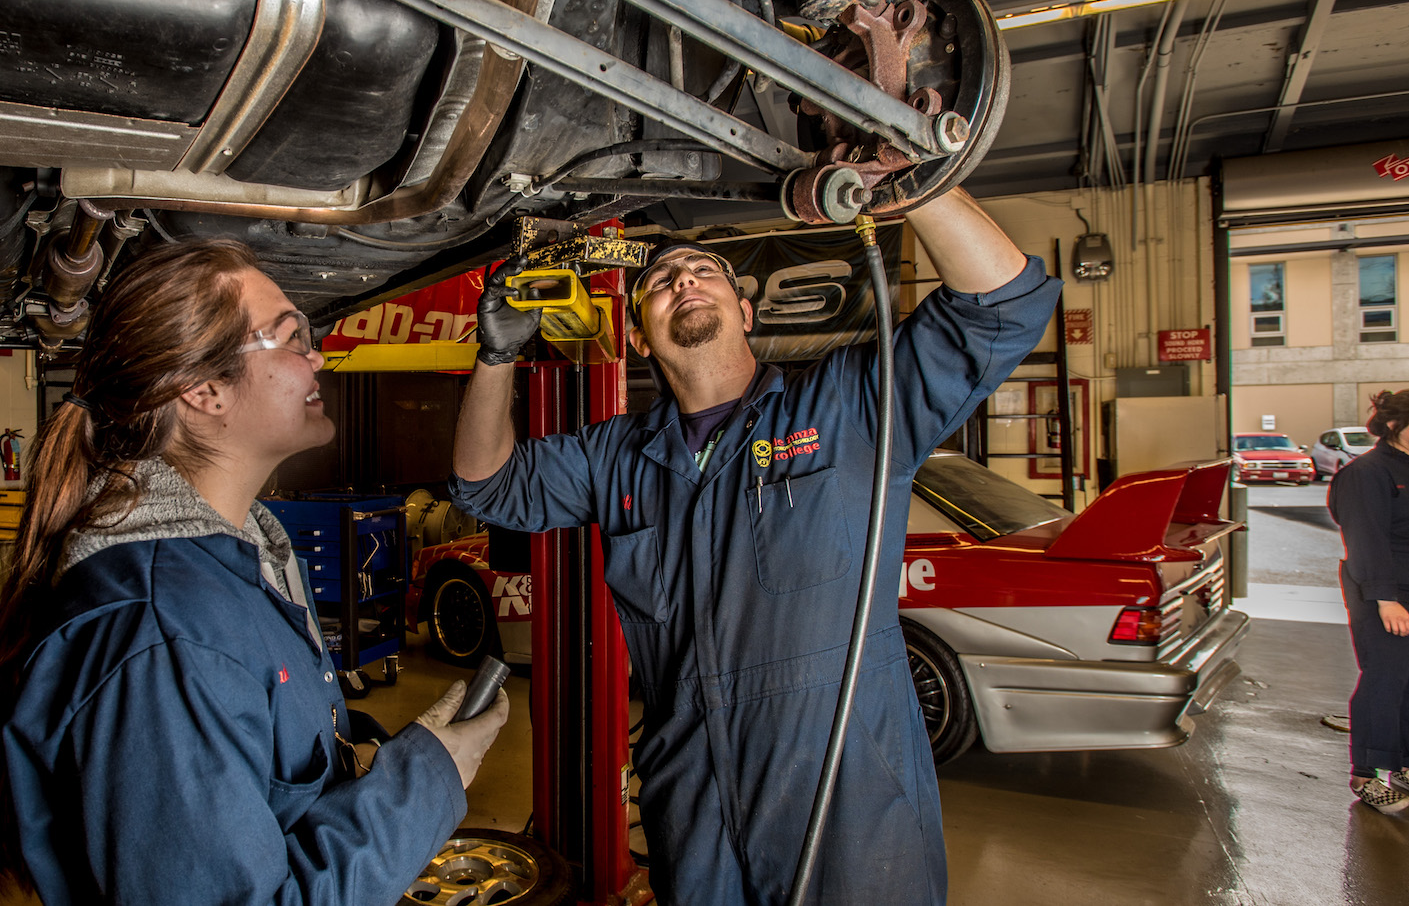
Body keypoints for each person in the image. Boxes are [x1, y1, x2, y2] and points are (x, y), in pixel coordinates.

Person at [451, 188, 1059, 905]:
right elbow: (484, 486)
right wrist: (495, 357)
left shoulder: (845, 407)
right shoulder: (617, 456)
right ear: (639, 337)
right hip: (693, 806)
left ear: (746, 311)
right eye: (659, 282)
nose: (682, 281)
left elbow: (1004, 304)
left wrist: (916, 185)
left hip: (847, 802)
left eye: (704, 271)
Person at [0, 238, 509, 906]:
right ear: (205, 390)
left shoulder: (245, 552)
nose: (318, 356)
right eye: (290, 338)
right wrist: (426, 783)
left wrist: (401, 759)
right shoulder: (166, 637)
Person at [1327, 389, 1409, 814]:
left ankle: (1408, 764)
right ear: (1394, 425)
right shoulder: (1367, 473)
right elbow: (1365, 539)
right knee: (1386, 681)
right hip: (1389, 594)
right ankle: (1366, 774)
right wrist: (1385, 598)